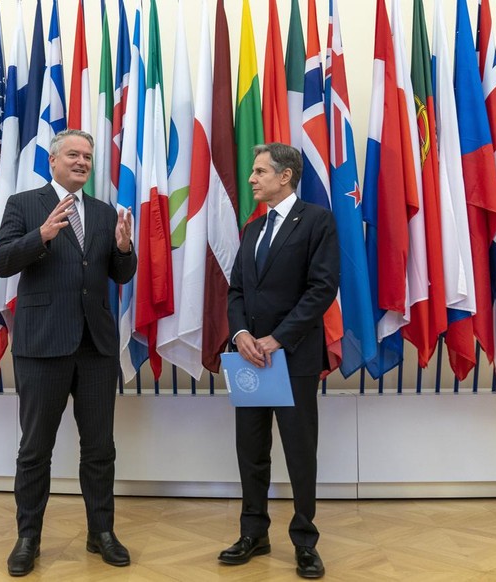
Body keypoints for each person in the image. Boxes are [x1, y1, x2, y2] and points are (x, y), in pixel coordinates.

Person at [0, 129, 136, 577]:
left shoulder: (103, 211)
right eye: (73, 154)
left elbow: (120, 273)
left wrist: (125, 248)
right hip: (43, 345)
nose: (82, 162)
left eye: (88, 157)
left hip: (95, 348)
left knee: (100, 449)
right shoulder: (24, 204)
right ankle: (28, 538)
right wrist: (41, 235)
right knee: (35, 449)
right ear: (53, 160)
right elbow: (1, 261)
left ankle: (102, 533)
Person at [221, 143, 340, 579]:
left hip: (294, 359)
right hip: (249, 360)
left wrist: (278, 339)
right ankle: (253, 533)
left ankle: (305, 541)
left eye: (259, 172)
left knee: (299, 451)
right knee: (251, 450)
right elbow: (236, 292)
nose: (251, 179)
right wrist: (241, 335)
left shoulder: (317, 221)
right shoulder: (252, 229)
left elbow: (322, 289)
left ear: (285, 176)